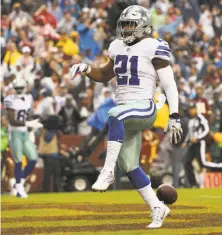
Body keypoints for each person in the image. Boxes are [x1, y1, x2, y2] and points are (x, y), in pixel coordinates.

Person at [70, 5, 182, 229]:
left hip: (144, 108)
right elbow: (103, 74)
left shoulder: (154, 46)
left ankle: (107, 171)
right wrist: (85, 68)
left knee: (114, 114)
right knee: (130, 165)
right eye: (124, 25)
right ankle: (157, 208)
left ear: (143, 25)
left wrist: (174, 115)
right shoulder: (116, 45)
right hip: (125, 112)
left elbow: (169, 84)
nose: (127, 29)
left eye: (131, 24)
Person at [4, 78, 42, 198]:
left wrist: (32, 123)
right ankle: (19, 188)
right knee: (18, 161)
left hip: (25, 133)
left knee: (33, 159)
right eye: (17, 88)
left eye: (21, 88)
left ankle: (18, 181)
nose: (19, 90)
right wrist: (28, 124)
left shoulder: (28, 98)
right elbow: (12, 120)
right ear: (14, 89)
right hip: (15, 133)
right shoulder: (10, 100)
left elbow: (28, 114)